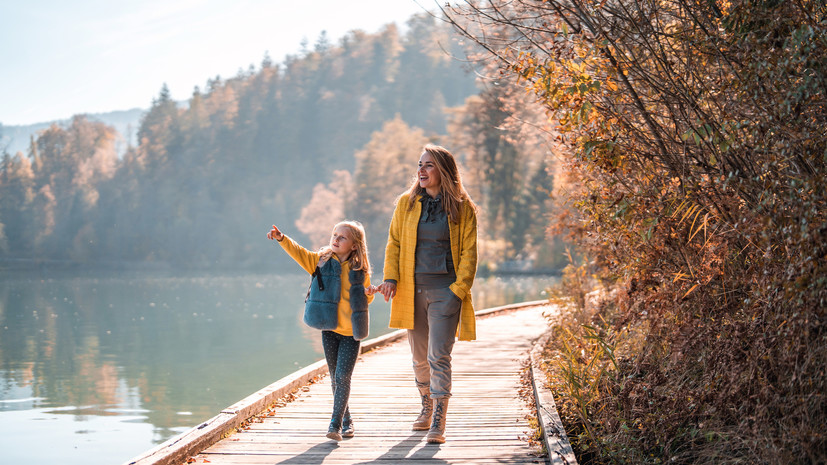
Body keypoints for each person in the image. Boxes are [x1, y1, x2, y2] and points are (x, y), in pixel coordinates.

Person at [377, 144, 478, 444]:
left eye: (429, 165)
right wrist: (390, 278)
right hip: (412, 290)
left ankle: (439, 419)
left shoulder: (463, 207)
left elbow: (470, 253)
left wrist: (458, 290)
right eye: (420, 164)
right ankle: (426, 405)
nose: (421, 170)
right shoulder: (406, 205)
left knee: (438, 355)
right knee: (419, 357)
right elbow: (394, 243)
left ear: (444, 170)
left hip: (446, 291)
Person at [267, 221, 377, 441]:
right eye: (334, 235)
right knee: (336, 378)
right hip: (328, 328)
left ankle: (334, 425)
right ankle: (347, 420)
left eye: (342, 237)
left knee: (343, 376)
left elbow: (364, 299)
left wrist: (370, 292)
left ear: (355, 245)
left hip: (350, 332)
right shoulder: (321, 261)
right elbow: (299, 253)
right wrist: (282, 239)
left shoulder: (359, 270)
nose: (335, 239)